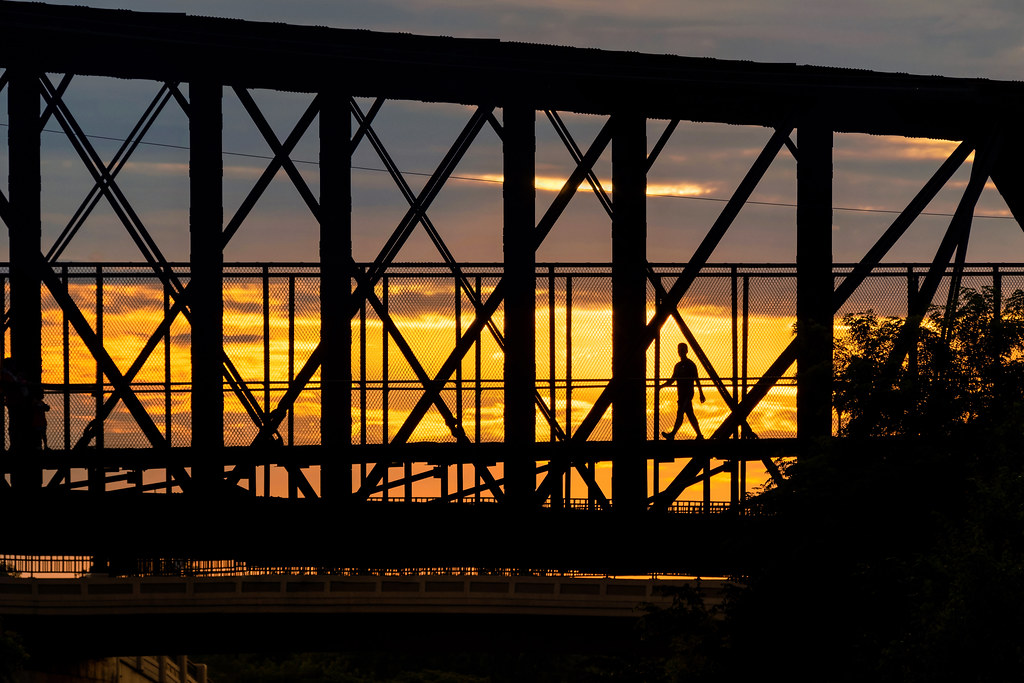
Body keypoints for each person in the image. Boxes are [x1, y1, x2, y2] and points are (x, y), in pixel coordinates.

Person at [660, 343, 705, 440]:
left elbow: (696, 379)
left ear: (686, 351)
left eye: (683, 349)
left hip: (688, 394)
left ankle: (672, 434)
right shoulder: (678, 366)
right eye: (680, 350)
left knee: (680, 413)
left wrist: (701, 393)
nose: (681, 351)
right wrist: (661, 386)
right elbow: (672, 380)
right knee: (690, 415)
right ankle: (699, 435)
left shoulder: (691, 365)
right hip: (681, 394)